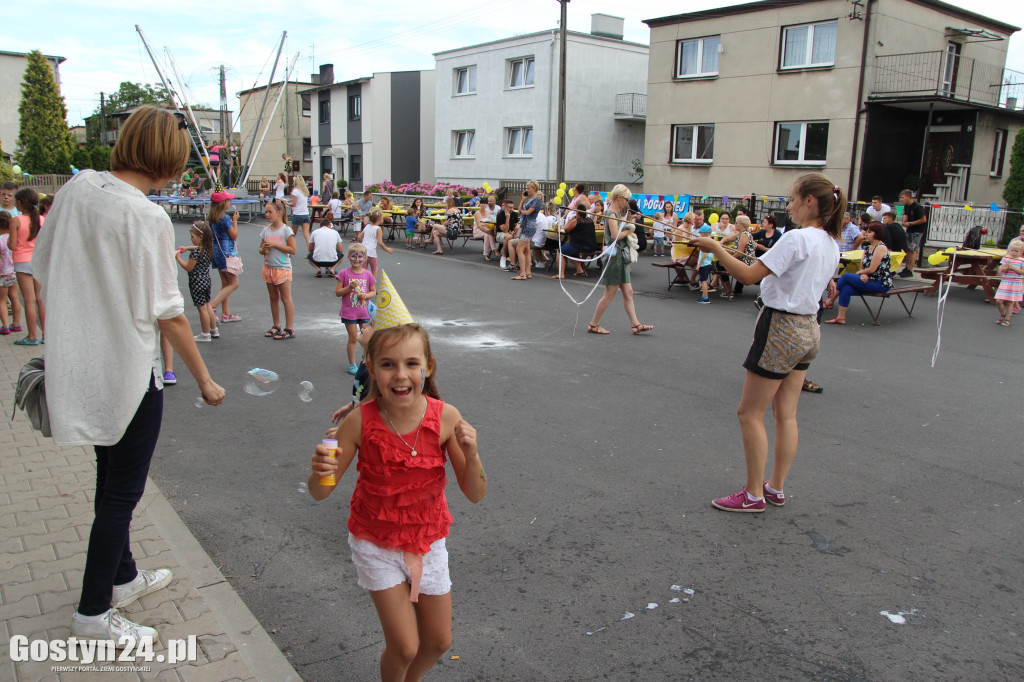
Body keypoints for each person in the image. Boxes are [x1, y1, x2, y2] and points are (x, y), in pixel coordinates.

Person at [32, 104, 225, 643]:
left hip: (80, 365)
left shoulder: (76, 189)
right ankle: (93, 614)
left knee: (108, 480)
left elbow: (42, 264)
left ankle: (123, 575)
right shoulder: (145, 216)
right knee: (121, 495)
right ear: (168, 156)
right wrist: (206, 380)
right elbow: (168, 312)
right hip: (129, 374)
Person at [308, 323, 486, 681]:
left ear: (428, 367)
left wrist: (473, 454)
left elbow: (475, 493)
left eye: (411, 363)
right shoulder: (359, 421)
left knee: (438, 642)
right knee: (404, 646)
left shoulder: (446, 417)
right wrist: (319, 471)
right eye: (388, 364)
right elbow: (320, 491)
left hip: (427, 541)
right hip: (376, 543)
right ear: (371, 369)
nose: (400, 375)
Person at [692, 172, 842, 513]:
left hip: (781, 328)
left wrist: (716, 247)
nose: (788, 206)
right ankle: (773, 488)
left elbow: (747, 276)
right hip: (809, 328)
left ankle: (753, 495)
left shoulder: (796, 238)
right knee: (786, 414)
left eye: (791, 199)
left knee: (750, 413)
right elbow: (768, 270)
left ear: (809, 201)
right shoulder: (831, 243)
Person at [586, 184, 654, 334]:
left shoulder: (616, 213)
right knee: (610, 294)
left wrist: (629, 223)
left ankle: (635, 324)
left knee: (628, 292)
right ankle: (593, 324)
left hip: (620, 258)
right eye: (626, 199)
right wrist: (629, 229)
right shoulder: (611, 213)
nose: (627, 202)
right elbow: (615, 236)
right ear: (618, 197)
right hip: (615, 257)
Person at [824, 221, 892, 325]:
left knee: (846, 276)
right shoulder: (867, 248)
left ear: (876, 233)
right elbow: (863, 267)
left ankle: (831, 300)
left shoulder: (880, 247)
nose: (865, 234)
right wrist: (863, 274)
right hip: (868, 279)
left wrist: (861, 272)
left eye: (869, 232)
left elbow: (872, 269)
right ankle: (841, 317)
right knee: (846, 288)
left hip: (880, 282)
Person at [8, 187, 45, 345]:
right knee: (40, 299)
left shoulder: (16, 221)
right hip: (38, 260)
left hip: (22, 261)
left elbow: (12, 245)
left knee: (29, 300)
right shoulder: (42, 220)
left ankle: (31, 336)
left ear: (19, 203)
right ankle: (46, 335)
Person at [258, 199, 297, 340]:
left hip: (282, 268)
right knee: (273, 297)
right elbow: (260, 250)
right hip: (269, 267)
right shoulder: (266, 230)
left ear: (279, 212)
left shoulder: (286, 230)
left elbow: (293, 250)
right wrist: (264, 249)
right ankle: (276, 325)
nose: (267, 214)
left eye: (270, 212)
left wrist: (275, 244)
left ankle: (289, 328)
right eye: (266, 212)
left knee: (286, 298)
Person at [174, 221, 219, 341]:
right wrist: (187, 248)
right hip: (206, 280)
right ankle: (214, 329)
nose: (191, 239)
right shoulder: (208, 249)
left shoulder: (196, 252)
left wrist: (177, 257)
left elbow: (188, 267)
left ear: (201, 237)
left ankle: (205, 334)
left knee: (202, 309)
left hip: (196, 282)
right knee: (208, 305)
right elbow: (198, 247)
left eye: (192, 237)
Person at [335, 243, 376, 375]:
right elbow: (338, 292)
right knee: (353, 338)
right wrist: (349, 288)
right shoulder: (344, 273)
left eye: (360, 256)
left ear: (365, 259)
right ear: (348, 257)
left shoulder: (368, 274)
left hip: (363, 311)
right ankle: (352, 364)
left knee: (367, 337)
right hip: (349, 312)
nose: (357, 259)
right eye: (354, 256)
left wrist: (366, 295)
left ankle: (367, 359)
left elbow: (373, 291)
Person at [207, 187, 242, 324]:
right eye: (228, 200)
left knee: (225, 283)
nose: (229, 201)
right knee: (234, 283)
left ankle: (226, 313)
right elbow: (234, 235)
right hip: (226, 252)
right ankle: (212, 306)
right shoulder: (225, 218)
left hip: (217, 250)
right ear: (223, 203)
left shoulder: (212, 218)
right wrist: (235, 221)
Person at [553, 195, 597, 279]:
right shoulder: (590, 220)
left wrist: (571, 220)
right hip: (592, 245)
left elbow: (566, 230)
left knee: (560, 251)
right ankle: (579, 270)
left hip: (579, 245)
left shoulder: (576, 221)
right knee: (570, 252)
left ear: (577, 212)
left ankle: (561, 274)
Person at [511, 181, 542, 280]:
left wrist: (524, 212)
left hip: (529, 225)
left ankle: (522, 273)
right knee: (526, 250)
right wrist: (523, 200)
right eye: (527, 188)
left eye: (529, 188)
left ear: (534, 189)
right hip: (526, 225)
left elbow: (528, 212)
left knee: (519, 249)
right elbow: (520, 211)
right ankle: (527, 272)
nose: (527, 190)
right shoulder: (530, 199)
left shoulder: (537, 199)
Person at [0, 210, 23, 335]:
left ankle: (4, 325)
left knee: (2, 300)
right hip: (14, 273)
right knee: (15, 298)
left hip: (2, 275)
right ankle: (17, 323)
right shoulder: (14, 239)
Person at [994, 239, 1024, 326]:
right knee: (999, 301)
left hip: (1015, 283)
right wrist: (1007, 268)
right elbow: (1002, 269)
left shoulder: (1022, 261)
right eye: (1012, 250)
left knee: (1011, 302)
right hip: (1006, 281)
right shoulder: (1006, 258)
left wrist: (1014, 268)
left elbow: (1022, 272)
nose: (1013, 253)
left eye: (1016, 251)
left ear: (1021, 252)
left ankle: (1007, 319)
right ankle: (1003, 314)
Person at [899, 189, 927, 276]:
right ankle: (906, 268)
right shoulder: (907, 206)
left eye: (902, 197)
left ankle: (910, 269)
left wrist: (911, 223)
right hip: (910, 229)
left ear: (908, 197)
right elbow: (907, 215)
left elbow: (923, 219)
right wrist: (905, 222)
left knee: (913, 249)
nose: (901, 199)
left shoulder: (917, 207)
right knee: (908, 249)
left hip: (917, 230)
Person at [362, 207, 395, 275]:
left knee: (363, 269)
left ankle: (363, 282)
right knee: (374, 269)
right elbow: (380, 243)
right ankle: (372, 284)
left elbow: (359, 237)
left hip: (363, 249)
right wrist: (387, 249)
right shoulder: (378, 229)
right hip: (371, 251)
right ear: (379, 218)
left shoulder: (367, 226)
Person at [288, 174, 312, 251]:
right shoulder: (305, 191)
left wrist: (286, 203)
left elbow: (293, 204)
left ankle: (289, 249)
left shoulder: (295, 191)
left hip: (298, 214)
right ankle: (310, 250)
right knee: (306, 234)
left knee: (292, 234)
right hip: (305, 214)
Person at [496, 199, 519, 271]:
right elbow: (504, 230)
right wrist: (507, 218)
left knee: (520, 238)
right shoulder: (500, 215)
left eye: (512, 207)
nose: (511, 209)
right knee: (508, 236)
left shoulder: (514, 214)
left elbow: (516, 226)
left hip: (511, 233)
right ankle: (504, 256)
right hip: (500, 234)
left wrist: (514, 231)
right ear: (505, 207)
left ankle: (517, 260)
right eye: (509, 207)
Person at [694, 225, 715, 304]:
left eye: (701, 233)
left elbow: (704, 254)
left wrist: (699, 264)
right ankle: (704, 296)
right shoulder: (711, 241)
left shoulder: (705, 242)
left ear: (703, 233)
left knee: (703, 281)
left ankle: (705, 297)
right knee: (703, 280)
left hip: (704, 264)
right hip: (708, 263)